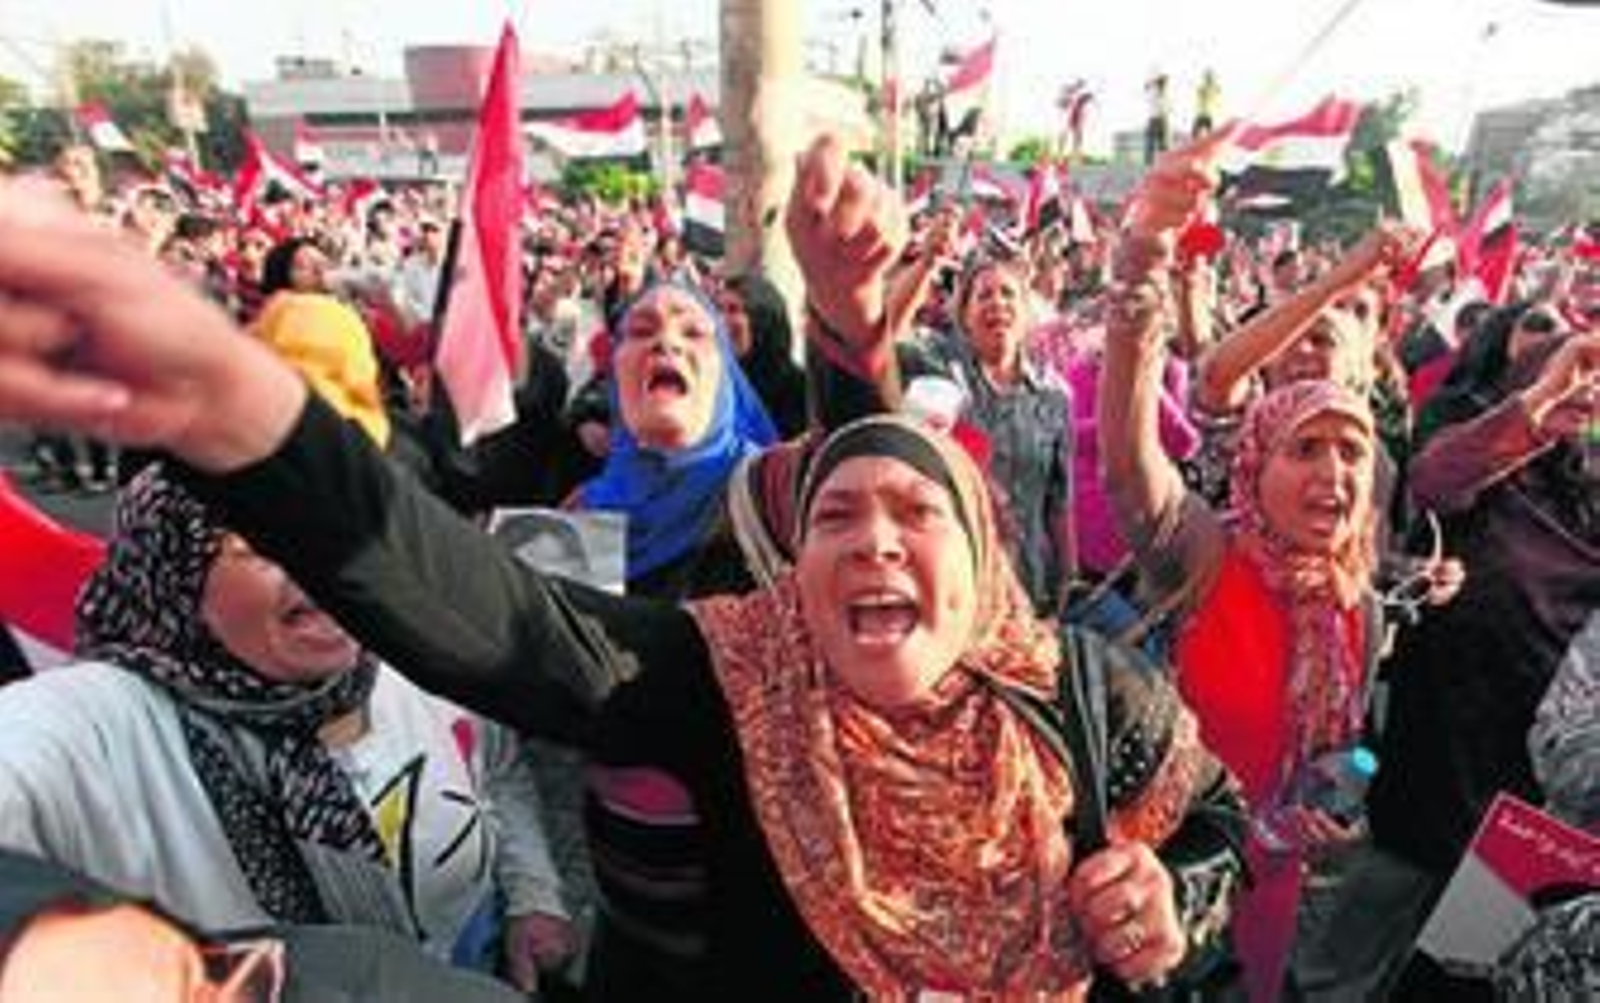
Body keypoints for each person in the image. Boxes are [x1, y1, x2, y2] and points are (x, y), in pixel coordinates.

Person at [0, 148, 1250, 998]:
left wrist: (1169, 891)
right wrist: (232, 406)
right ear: (786, 572)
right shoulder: (733, 679)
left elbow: (1213, 827)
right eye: (835, 520)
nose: (873, 539)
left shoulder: (1090, 696)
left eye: (917, 512)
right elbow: (489, 612)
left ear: (982, 565)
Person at [0, 465, 575, 993]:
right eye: (263, 544)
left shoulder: (415, 654)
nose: (324, 567)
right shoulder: (98, 724)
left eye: (334, 534)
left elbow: (498, 772)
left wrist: (532, 895)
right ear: (174, 576)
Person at [1099, 130, 1390, 1003]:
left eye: (1352, 452)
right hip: (1154, 886)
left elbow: (1340, 758)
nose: (1334, 473)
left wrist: (1333, 809)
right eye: (1307, 448)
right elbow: (1125, 453)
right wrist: (1144, 251)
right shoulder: (1201, 551)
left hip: (1270, 893)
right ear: (1253, 466)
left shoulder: (1358, 602)